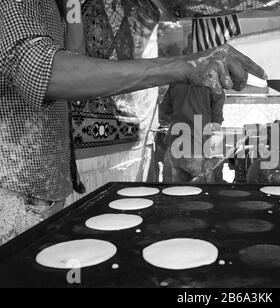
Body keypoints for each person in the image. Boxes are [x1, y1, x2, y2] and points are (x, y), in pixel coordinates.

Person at [0, 0, 266, 245]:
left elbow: (75, 57)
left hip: (52, 190)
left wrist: (72, 8)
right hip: (12, 197)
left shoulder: (62, 7)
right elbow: (41, 72)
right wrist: (184, 66)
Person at [160, 84, 225, 183]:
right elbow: (217, 120)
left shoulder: (176, 82)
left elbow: (163, 114)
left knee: (177, 191)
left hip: (174, 143)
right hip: (196, 144)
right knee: (202, 189)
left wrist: (178, 119)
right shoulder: (213, 83)